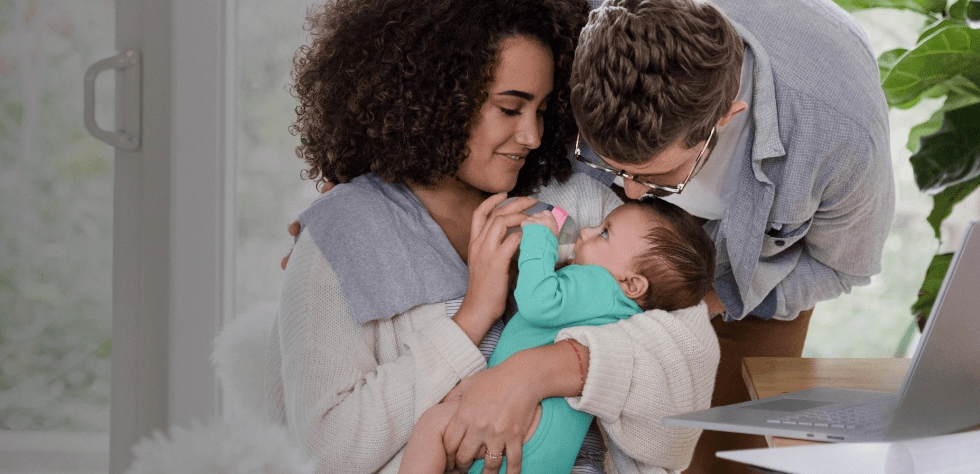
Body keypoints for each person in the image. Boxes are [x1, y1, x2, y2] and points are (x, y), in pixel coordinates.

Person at [264, 0, 719, 473]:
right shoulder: (346, 234)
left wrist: (534, 374)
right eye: (509, 108)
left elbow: (689, 359)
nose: (533, 135)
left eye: (542, 110)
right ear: (436, 99)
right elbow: (329, 449)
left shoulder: (572, 204)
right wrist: (472, 316)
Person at [566, 1, 893, 471]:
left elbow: (840, 267)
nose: (632, 194)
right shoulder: (596, 34)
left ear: (727, 115)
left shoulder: (842, 139)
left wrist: (710, 303)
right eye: (611, 167)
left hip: (757, 275)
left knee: (725, 457)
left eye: (659, 177)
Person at [399, 198, 716, 474]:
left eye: (604, 233)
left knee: (432, 426)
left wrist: (540, 238)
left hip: (530, 426)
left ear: (632, 284)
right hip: (552, 443)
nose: (587, 231)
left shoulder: (597, 282)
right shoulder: (620, 308)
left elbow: (538, 303)